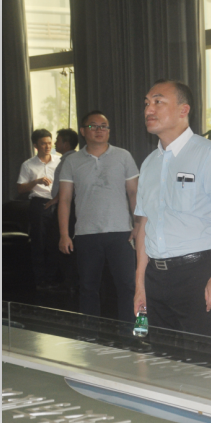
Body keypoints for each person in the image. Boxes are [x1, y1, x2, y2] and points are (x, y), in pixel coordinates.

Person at [133, 79, 211, 338]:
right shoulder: (149, 163)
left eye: (158, 102)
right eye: (146, 103)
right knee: (161, 357)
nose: (148, 109)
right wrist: (140, 284)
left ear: (183, 110)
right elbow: (144, 224)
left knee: (202, 358)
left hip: (197, 274)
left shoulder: (210, 154)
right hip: (155, 277)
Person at [58, 111, 139, 323]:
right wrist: (64, 234)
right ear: (83, 131)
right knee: (87, 287)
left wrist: (138, 225)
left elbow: (134, 193)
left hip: (122, 232)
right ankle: (89, 334)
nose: (99, 130)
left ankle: (131, 334)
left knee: (128, 286)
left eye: (104, 126)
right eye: (93, 126)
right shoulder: (72, 161)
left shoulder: (123, 156)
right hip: (86, 233)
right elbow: (64, 199)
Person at [17, 129, 61, 290]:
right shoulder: (28, 164)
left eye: (49, 143)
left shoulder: (59, 161)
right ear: (36, 145)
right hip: (39, 204)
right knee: (39, 243)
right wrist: (36, 181)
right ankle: (40, 280)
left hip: (58, 203)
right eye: (43, 144)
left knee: (55, 242)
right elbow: (20, 189)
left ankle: (53, 279)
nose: (48, 146)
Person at [45, 128, 79, 292]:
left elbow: (69, 184)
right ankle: (68, 281)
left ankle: (69, 282)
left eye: (57, 140)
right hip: (68, 205)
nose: (55, 143)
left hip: (68, 206)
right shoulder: (68, 158)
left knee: (62, 243)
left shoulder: (70, 160)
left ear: (66, 143)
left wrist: (57, 199)